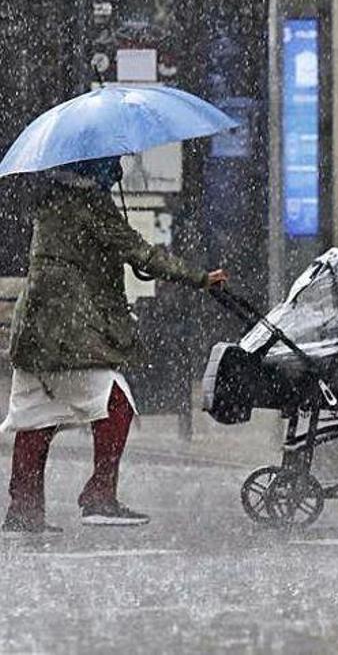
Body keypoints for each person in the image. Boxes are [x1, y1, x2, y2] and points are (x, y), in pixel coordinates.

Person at [2, 157, 227, 535]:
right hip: (71, 328)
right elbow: (141, 253)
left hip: (38, 326)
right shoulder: (87, 204)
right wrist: (201, 278)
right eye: (113, 164)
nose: (119, 170)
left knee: (36, 415)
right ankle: (99, 496)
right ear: (95, 168)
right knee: (116, 404)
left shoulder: (50, 200)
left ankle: (24, 509)